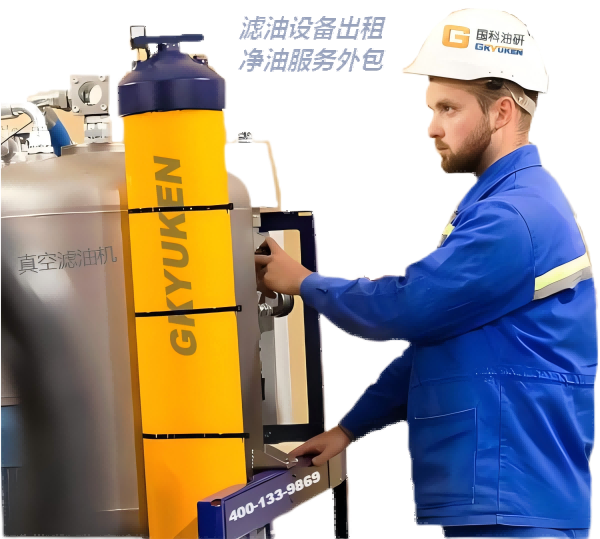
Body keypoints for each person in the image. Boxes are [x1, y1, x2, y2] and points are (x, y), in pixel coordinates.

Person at [255, 8, 596, 539]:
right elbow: (438, 344)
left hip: (512, 493)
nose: (432, 128)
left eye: (448, 108)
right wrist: (349, 428)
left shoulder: (514, 218)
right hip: (506, 492)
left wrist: (302, 282)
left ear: (503, 111)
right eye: (432, 108)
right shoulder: (497, 203)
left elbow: (407, 307)